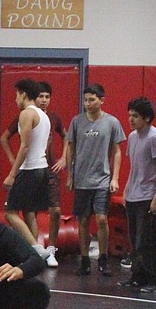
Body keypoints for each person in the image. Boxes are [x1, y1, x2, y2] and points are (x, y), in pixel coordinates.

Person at [55, 83, 125, 276]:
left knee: (102, 218)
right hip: (82, 180)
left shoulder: (112, 122)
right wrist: (70, 175)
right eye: (85, 100)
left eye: (91, 100)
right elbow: (70, 148)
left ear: (101, 101)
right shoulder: (77, 122)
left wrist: (115, 178)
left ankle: (103, 259)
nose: (87, 103)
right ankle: (85, 259)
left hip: (102, 179)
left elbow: (117, 152)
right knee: (83, 220)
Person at [2, 81, 65, 266]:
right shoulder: (43, 116)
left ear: (23, 94)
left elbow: (25, 146)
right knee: (29, 212)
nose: (15, 100)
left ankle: (37, 250)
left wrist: (12, 174)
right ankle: (33, 253)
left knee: (10, 213)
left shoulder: (27, 113)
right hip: (42, 169)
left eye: (16, 95)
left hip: (29, 169)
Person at [116, 97, 156, 294]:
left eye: (136, 116)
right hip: (134, 195)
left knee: (147, 242)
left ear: (147, 118)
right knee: (135, 241)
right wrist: (126, 190)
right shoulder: (132, 137)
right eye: (130, 115)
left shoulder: (155, 138)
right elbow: (135, 168)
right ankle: (137, 277)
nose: (130, 119)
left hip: (149, 197)